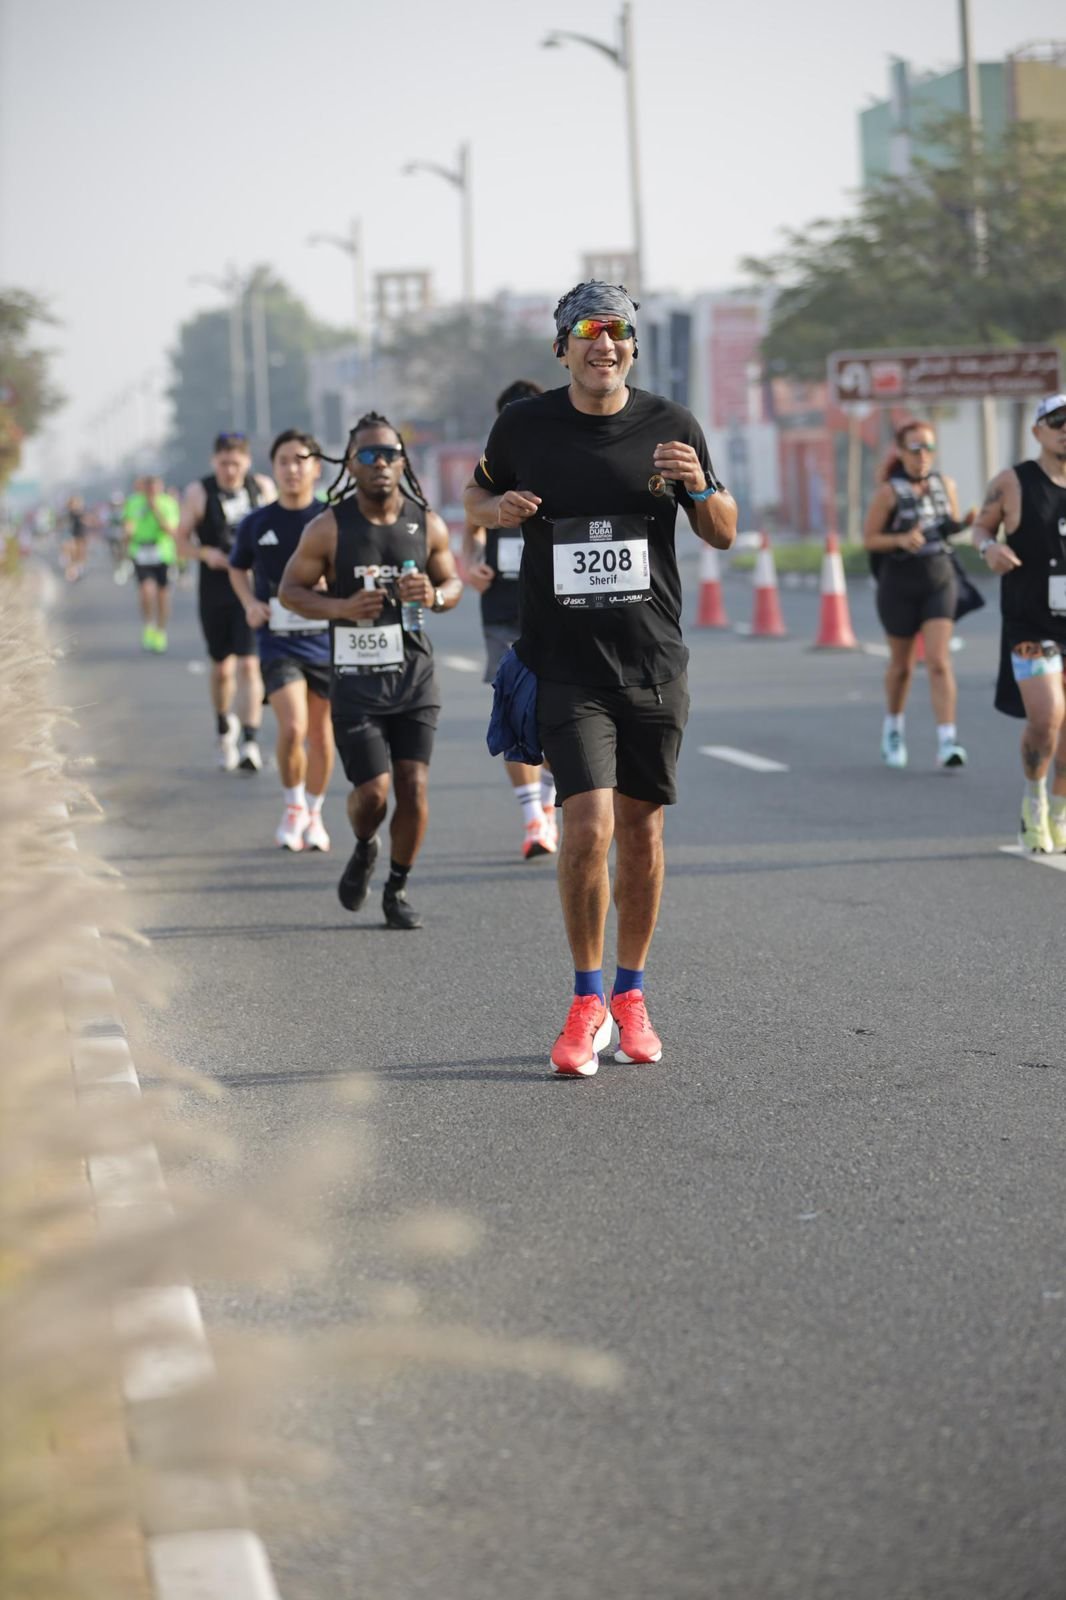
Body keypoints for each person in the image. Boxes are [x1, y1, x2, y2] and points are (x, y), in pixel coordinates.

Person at [462, 281, 737, 1076]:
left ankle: (632, 992)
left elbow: (721, 533)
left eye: (617, 331)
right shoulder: (525, 425)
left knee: (644, 831)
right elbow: (475, 494)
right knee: (586, 825)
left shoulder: (671, 425)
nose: (604, 344)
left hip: (653, 662)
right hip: (566, 665)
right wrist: (496, 511)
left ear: (633, 345)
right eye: (587, 331)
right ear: (563, 347)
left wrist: (701, 485)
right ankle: (585, 1002)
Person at [280, 412, 462, 928]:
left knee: (415, 785)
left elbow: (452, 586)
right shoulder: (328, 527)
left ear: (402, 462)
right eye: (367, 455)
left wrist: (433, 593)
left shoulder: (426, 522)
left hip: (414, 677)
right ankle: (364, 845)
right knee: (373, 795)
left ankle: (397, 888)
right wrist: (340, 608)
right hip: (356, 679)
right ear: (350, 464)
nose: (379, 463)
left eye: (388, 454)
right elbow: (289, 591)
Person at [463, 379, 558, 861]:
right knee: (517, 712)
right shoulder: (493, 468)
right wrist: (470, 562)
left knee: (561, 713)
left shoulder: (565, 462)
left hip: (560, 611)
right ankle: (533, 818)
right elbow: (471, 522)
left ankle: (548, 803)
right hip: (502, 610)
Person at [229, 429, 334, 852]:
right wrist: (249, 603)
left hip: (326, 640)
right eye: (283, 461)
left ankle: (314, 811)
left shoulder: (332, 518)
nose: (292, 468)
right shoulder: (257, 522)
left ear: (315, 467)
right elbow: (237, 568)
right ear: (272, 469)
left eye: (300, 459)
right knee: (293, 727)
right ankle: (293, 807)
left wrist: (333, 585)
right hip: (278, 640)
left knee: (322, 736)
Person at [971, 391, 1066, 853]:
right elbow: (981, 526)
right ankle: (1034, 801)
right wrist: (989, 547)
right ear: (1038, 432)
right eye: (1057, 421)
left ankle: (1062, 811)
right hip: (1032, 621)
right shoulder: (1014, 482)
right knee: (1047, 717)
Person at [863, 419, 973, 771]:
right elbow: (869, 539)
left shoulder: (946, 485)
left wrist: (965, 523)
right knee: (902, 667)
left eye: (928, 447)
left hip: (939, 580)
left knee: (939, 662)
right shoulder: (889, 493)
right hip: (899, 585)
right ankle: (893, 729)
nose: (923, 455)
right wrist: (898, 540)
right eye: (915, 448)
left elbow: (947, 527)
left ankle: (948, 741)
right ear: (902, 451)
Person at [177, 432, 276, 772]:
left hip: (251, 588)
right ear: (213, 462)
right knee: (222, 668)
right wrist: (205, 553)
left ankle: (250, 740)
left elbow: (278, 529)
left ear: (247, 462)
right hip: (216, 588)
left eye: (236, 464)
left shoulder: (261, 488)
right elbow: (180, 543)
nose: (230, 471)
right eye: (223, 464)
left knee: (250, 664)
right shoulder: (199, 492)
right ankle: (224, 728)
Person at [122, 475, 179, 651]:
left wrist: (156, 510)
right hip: (141, 552)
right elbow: (128, 524)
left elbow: (170, 530)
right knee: (146, 591)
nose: (152, 492)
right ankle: (148, 625)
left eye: (156, 488)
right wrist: (127, 533)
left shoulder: (168, 503)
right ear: (144, 488)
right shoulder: (134, 502)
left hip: (162, 553)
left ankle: (160, 631)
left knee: (163, 595)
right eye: (149, 488)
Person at [62, 494, 90, 582]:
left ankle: (78, 569)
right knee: (73, 554)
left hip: (81, 535)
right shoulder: (71, 514)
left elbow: (86, 521)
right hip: (73, 536)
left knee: (80, 554)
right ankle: (73, 571)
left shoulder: (80, 513)